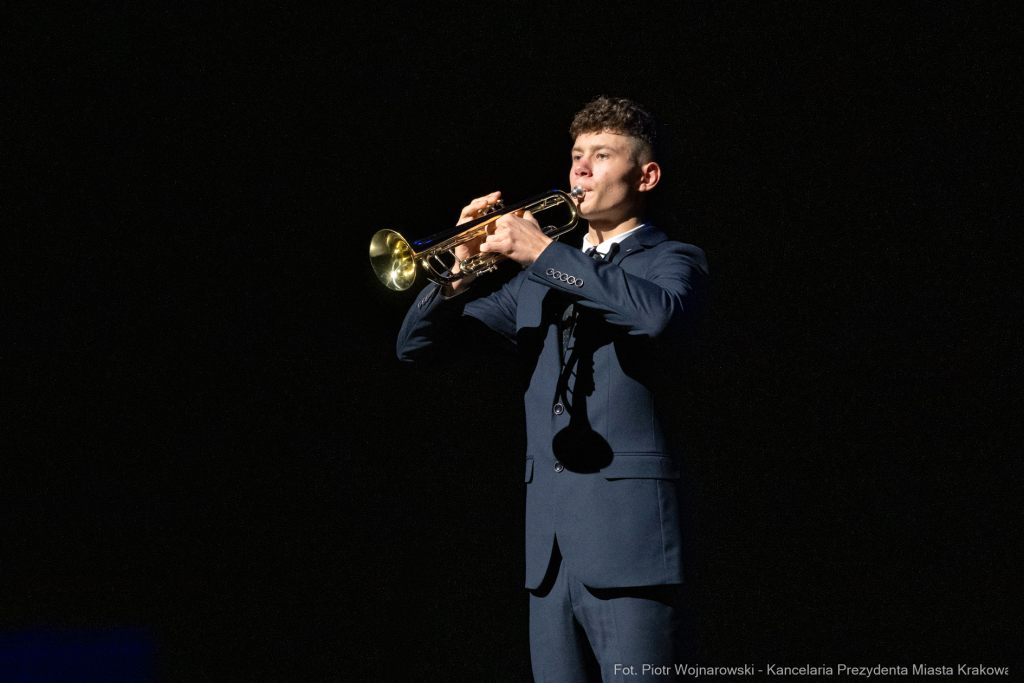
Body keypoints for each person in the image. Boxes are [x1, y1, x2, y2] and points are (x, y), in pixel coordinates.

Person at [396, 96, 709, 682]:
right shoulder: (537, 286)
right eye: (574, 157)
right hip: (549, 557)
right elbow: (416, 348)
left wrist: (543, 252)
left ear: (645, 176)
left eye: (601, 154)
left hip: (631, 548)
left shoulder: (672, 259)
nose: (580, 171)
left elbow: (657, 317)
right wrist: (457, 271)